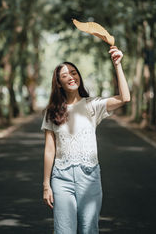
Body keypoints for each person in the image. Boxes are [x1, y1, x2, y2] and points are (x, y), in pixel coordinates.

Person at [41, 45, 130, 234]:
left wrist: (117, 65)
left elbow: (125, 97)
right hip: (61, 177)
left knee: (89, 229)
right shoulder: (52, 111)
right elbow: (49, 149)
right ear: (59, 83)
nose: (71, 76)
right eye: (65, 75)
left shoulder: (92, 105)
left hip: (89, 176)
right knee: (64, 230)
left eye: (73, 72)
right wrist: (46, 185)